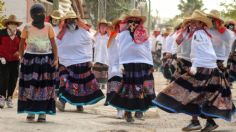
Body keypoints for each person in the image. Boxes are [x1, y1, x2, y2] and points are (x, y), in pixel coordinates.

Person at [152, 10, 235, 132]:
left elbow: (199, 51)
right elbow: (201, 51)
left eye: (195, 21)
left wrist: (195, 66)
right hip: (204, 66)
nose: (192, 23)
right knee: (200, 94)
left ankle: (200, 121)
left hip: (202, 67)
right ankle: (202, 121)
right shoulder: (199, 33)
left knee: (192, 93)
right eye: (191, 21)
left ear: (201, 23)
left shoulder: (202, 34)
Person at [108, 9, 156, 122]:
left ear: (140, 22)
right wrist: (119, 64)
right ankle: (128, 112)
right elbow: (120, 50)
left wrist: (151, 64)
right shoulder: (122, 34)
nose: (134, 22)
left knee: (142, 87)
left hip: (143, 63)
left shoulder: (144, 34)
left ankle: (140, 110)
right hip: (128, 64)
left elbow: (147, 49)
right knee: (129, 88)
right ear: (127, 21)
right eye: (131, 20)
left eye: (136, 20)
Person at [56, 11, 104, 112]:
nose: (71, 22)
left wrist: (90, 60)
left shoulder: (84, 32)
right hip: (66, 62)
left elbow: (91, 44)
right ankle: (62, 103)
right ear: (66, 21)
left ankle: (78, 104)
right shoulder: (62, 33)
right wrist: (58, 59)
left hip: (81, 61)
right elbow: (58, 46)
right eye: (69, 20)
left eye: (73, 20)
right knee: (66, 82)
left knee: (80, 84)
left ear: (77, 20)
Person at [18, 3, 58, 122]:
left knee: (44, 86)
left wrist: (56, 58)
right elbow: (21, 44)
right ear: (32, 15)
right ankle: (30, 111)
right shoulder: (27, 27)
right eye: (37, 13)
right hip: (30, 59)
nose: (40, 15)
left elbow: (53, 43)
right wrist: (21, 58)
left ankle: (42, 113)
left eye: (42, 13)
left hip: (46, 59)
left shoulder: (48, 26)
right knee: (30, 85)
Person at [105, 15, 126, 119]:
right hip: (115, 67)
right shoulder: (113, 37)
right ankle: (119, 110)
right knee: (116, 89)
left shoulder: (129, 36)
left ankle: (126, 110)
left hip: (126, 66)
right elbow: (110, 53)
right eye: (119, 25)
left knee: (125, 89)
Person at [0, 15, 22, 108]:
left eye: (15, 24)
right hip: (3, 60)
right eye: (11, 23)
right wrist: (0, 56)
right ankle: (1, 97)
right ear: (7, 24)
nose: (13, 25)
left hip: (15, 60)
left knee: (13, 79)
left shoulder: (19, 34)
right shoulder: (1, 33)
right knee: (3, 78)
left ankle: (9, 97)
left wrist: (19, 52)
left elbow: (23, 45)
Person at [207, 10, 235, 83]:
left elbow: (229, 46)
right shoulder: (206, 30)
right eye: (210, 19)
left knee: (219, 81)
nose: (211, 21)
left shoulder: (225, 32)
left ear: (218, 20)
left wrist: (225, 59)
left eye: (213, 19)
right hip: (208, 58)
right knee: (208, 81)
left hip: (220, 59)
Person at [93, 19, 109, 89]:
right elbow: (92, 39)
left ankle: (103, 84)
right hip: (97, 57)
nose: (102, 28)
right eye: (101, 26)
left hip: (105, 57)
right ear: (99, 27)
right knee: (96, 71)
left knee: (104, 71)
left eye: (104, 26)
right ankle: (97, 84)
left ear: (106, 28)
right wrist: (97, 32)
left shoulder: (108, 36)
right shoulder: (97, 35)